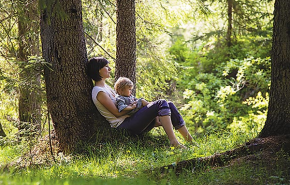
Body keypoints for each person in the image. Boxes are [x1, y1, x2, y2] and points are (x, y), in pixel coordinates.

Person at [86, 57, 193, 148]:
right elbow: (117, 113)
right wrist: (136, 106)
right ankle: (173, 141)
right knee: (161, 103)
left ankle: (190, 141)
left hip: (132, 120)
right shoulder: (99, 92)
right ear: (98, 70)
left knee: (168, 104)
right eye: (106, 67)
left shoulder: (106, 87)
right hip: (124, 126)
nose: (109, 69)